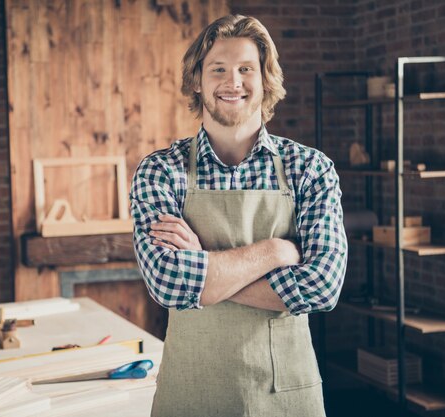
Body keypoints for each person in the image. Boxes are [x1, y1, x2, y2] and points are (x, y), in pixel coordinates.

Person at [130, 14, 347, 417]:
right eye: (219, 69)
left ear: (265, 80)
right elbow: (167, 284)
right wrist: (276, 251)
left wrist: (205, 270)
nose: (233, 82)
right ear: (197, 80)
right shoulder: (161, 170)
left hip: (286, 397)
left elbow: (322, 287)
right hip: (190, 396)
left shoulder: (310, 168)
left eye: (247, 69)